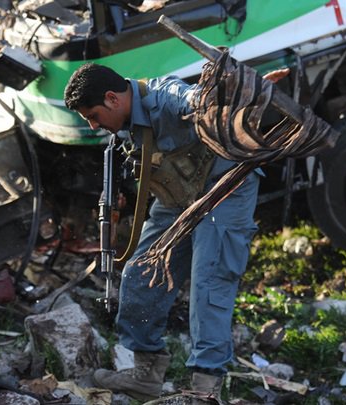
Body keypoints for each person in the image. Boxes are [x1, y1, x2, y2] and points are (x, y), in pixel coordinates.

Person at [63, 63, 289, 401]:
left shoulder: (164, 96)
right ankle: (146, 374)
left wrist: (236, 95)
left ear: (112, 99)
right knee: (140, 274)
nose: (94, 125)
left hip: (225, 190)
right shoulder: (123, 123)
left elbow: (196, 99)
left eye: (93, 116)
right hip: (176, 198)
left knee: (209, 284)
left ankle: (204, 388)